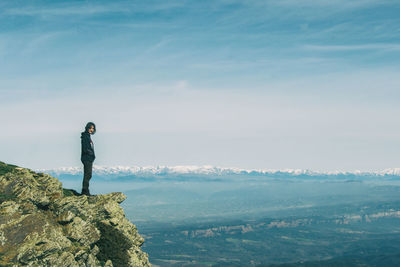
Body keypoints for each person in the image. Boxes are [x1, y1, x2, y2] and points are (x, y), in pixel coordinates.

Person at [81, 122, 96, 196]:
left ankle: (85, 190)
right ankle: (85, 191)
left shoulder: (88, 136)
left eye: (93, 128)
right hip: (87, 158)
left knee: (88, 174)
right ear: (87, 128)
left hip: (88, 158)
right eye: (90, 128)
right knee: (88, 174)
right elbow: (86, 148)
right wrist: (91, 154)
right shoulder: (85, 136)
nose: (91, 129)